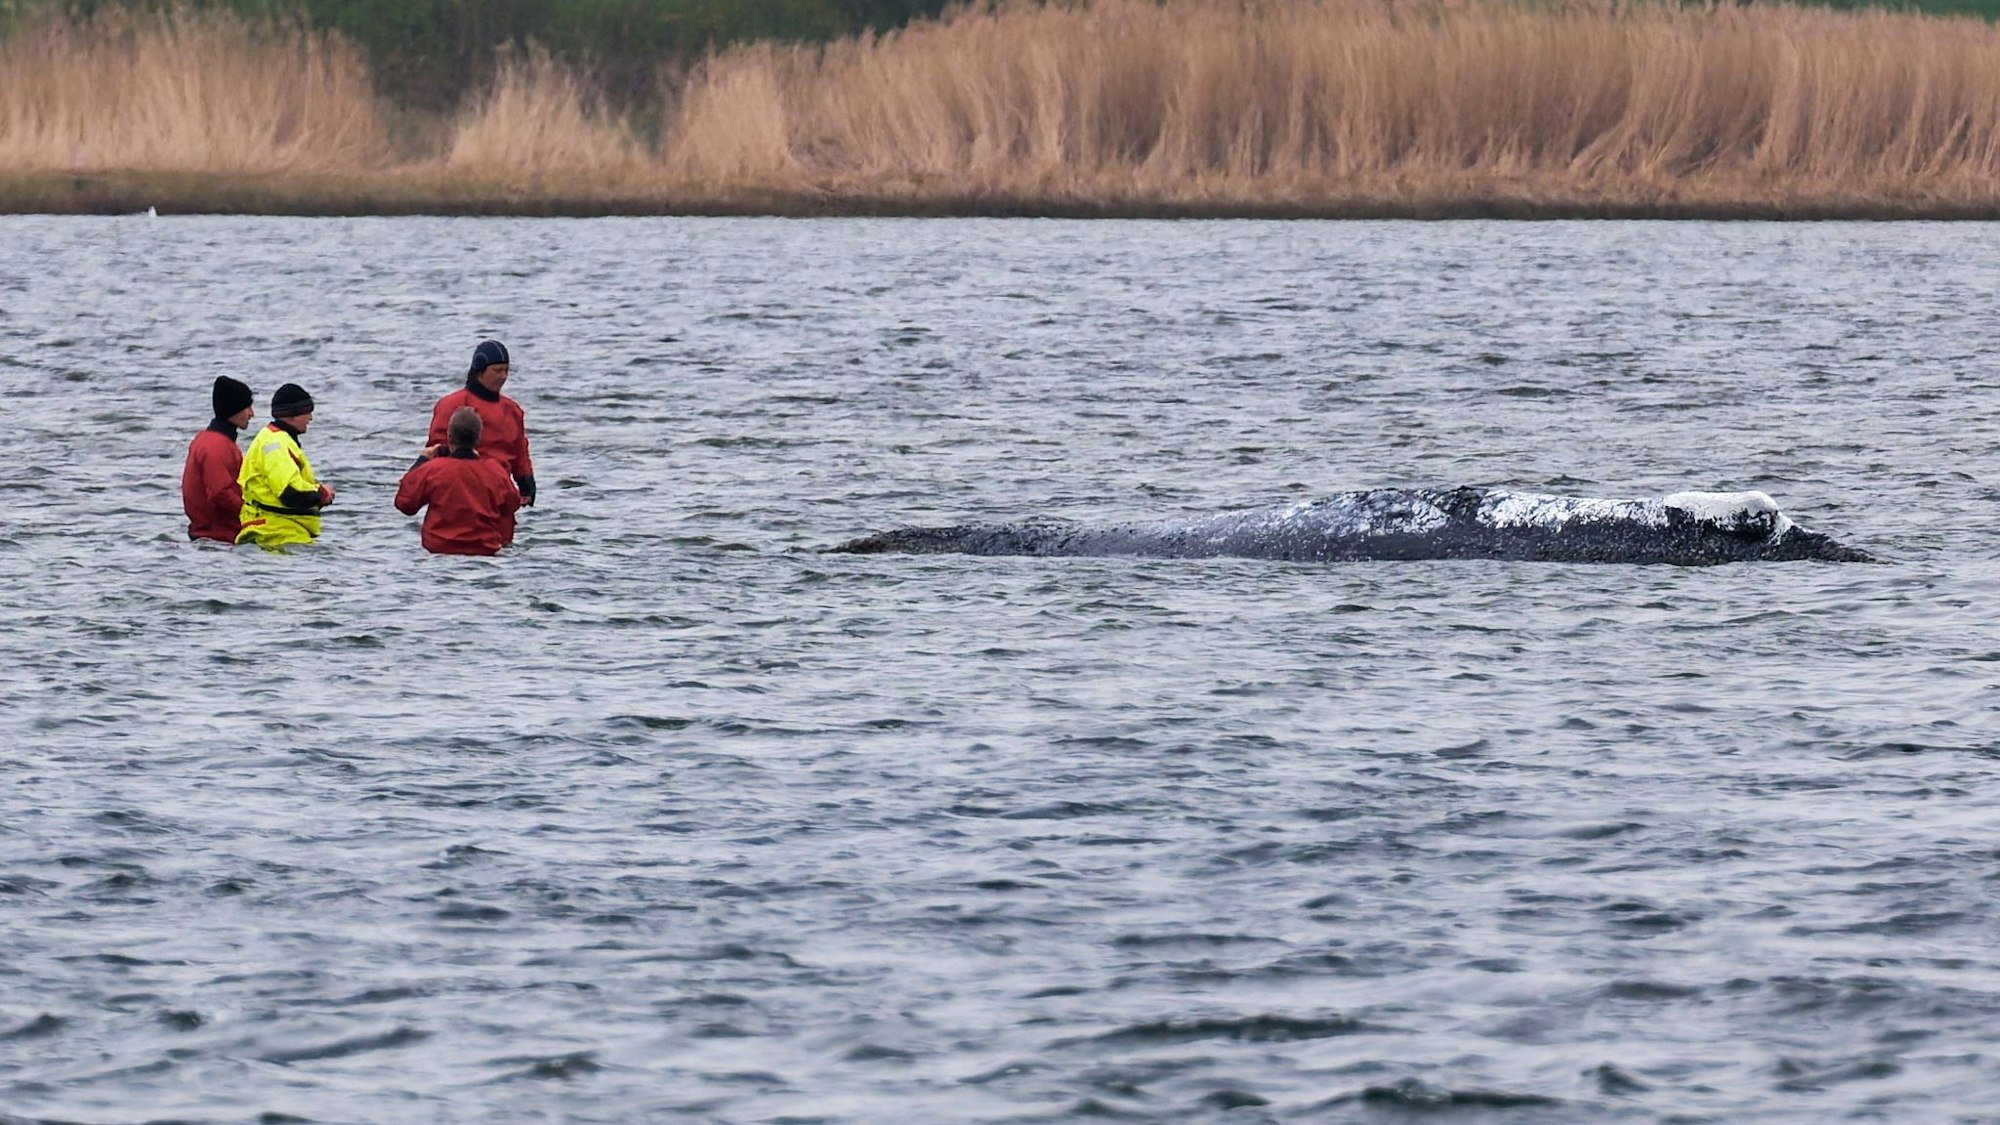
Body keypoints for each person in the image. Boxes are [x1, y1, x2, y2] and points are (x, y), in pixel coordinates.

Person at [395, 406, 522, 556]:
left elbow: (405, 503)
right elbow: (512, 503)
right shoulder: (495, 471)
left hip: (439, 551)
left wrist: (421, 461)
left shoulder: (433, 470)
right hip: (483, 551)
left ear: (449, 437)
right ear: (478, 438)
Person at [427, 339, 535, 507]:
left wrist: (525, 481)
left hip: (499, 493)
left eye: (506, 370)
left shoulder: (512, 410)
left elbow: (520, 451)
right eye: (497, 370)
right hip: (459, 491)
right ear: (479, 371)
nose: (503, 376)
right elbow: (435, 449)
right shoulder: (451, 404)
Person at [235, 383, 335, 551]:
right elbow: (290, 492)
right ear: (293, 415)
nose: (310, 418)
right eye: (307, 412)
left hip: (277, 532)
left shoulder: (272, 438)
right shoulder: (277, 444)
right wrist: (322, 493)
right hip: (278, 536)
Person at [181, 376, 254, 543]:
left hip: (210, 536)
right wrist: (252, 514)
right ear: (233, 409)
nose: (252, 413)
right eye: (247, 407)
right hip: (219, 540)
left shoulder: (207, 440)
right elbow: (221, 494)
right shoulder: (217, 446)